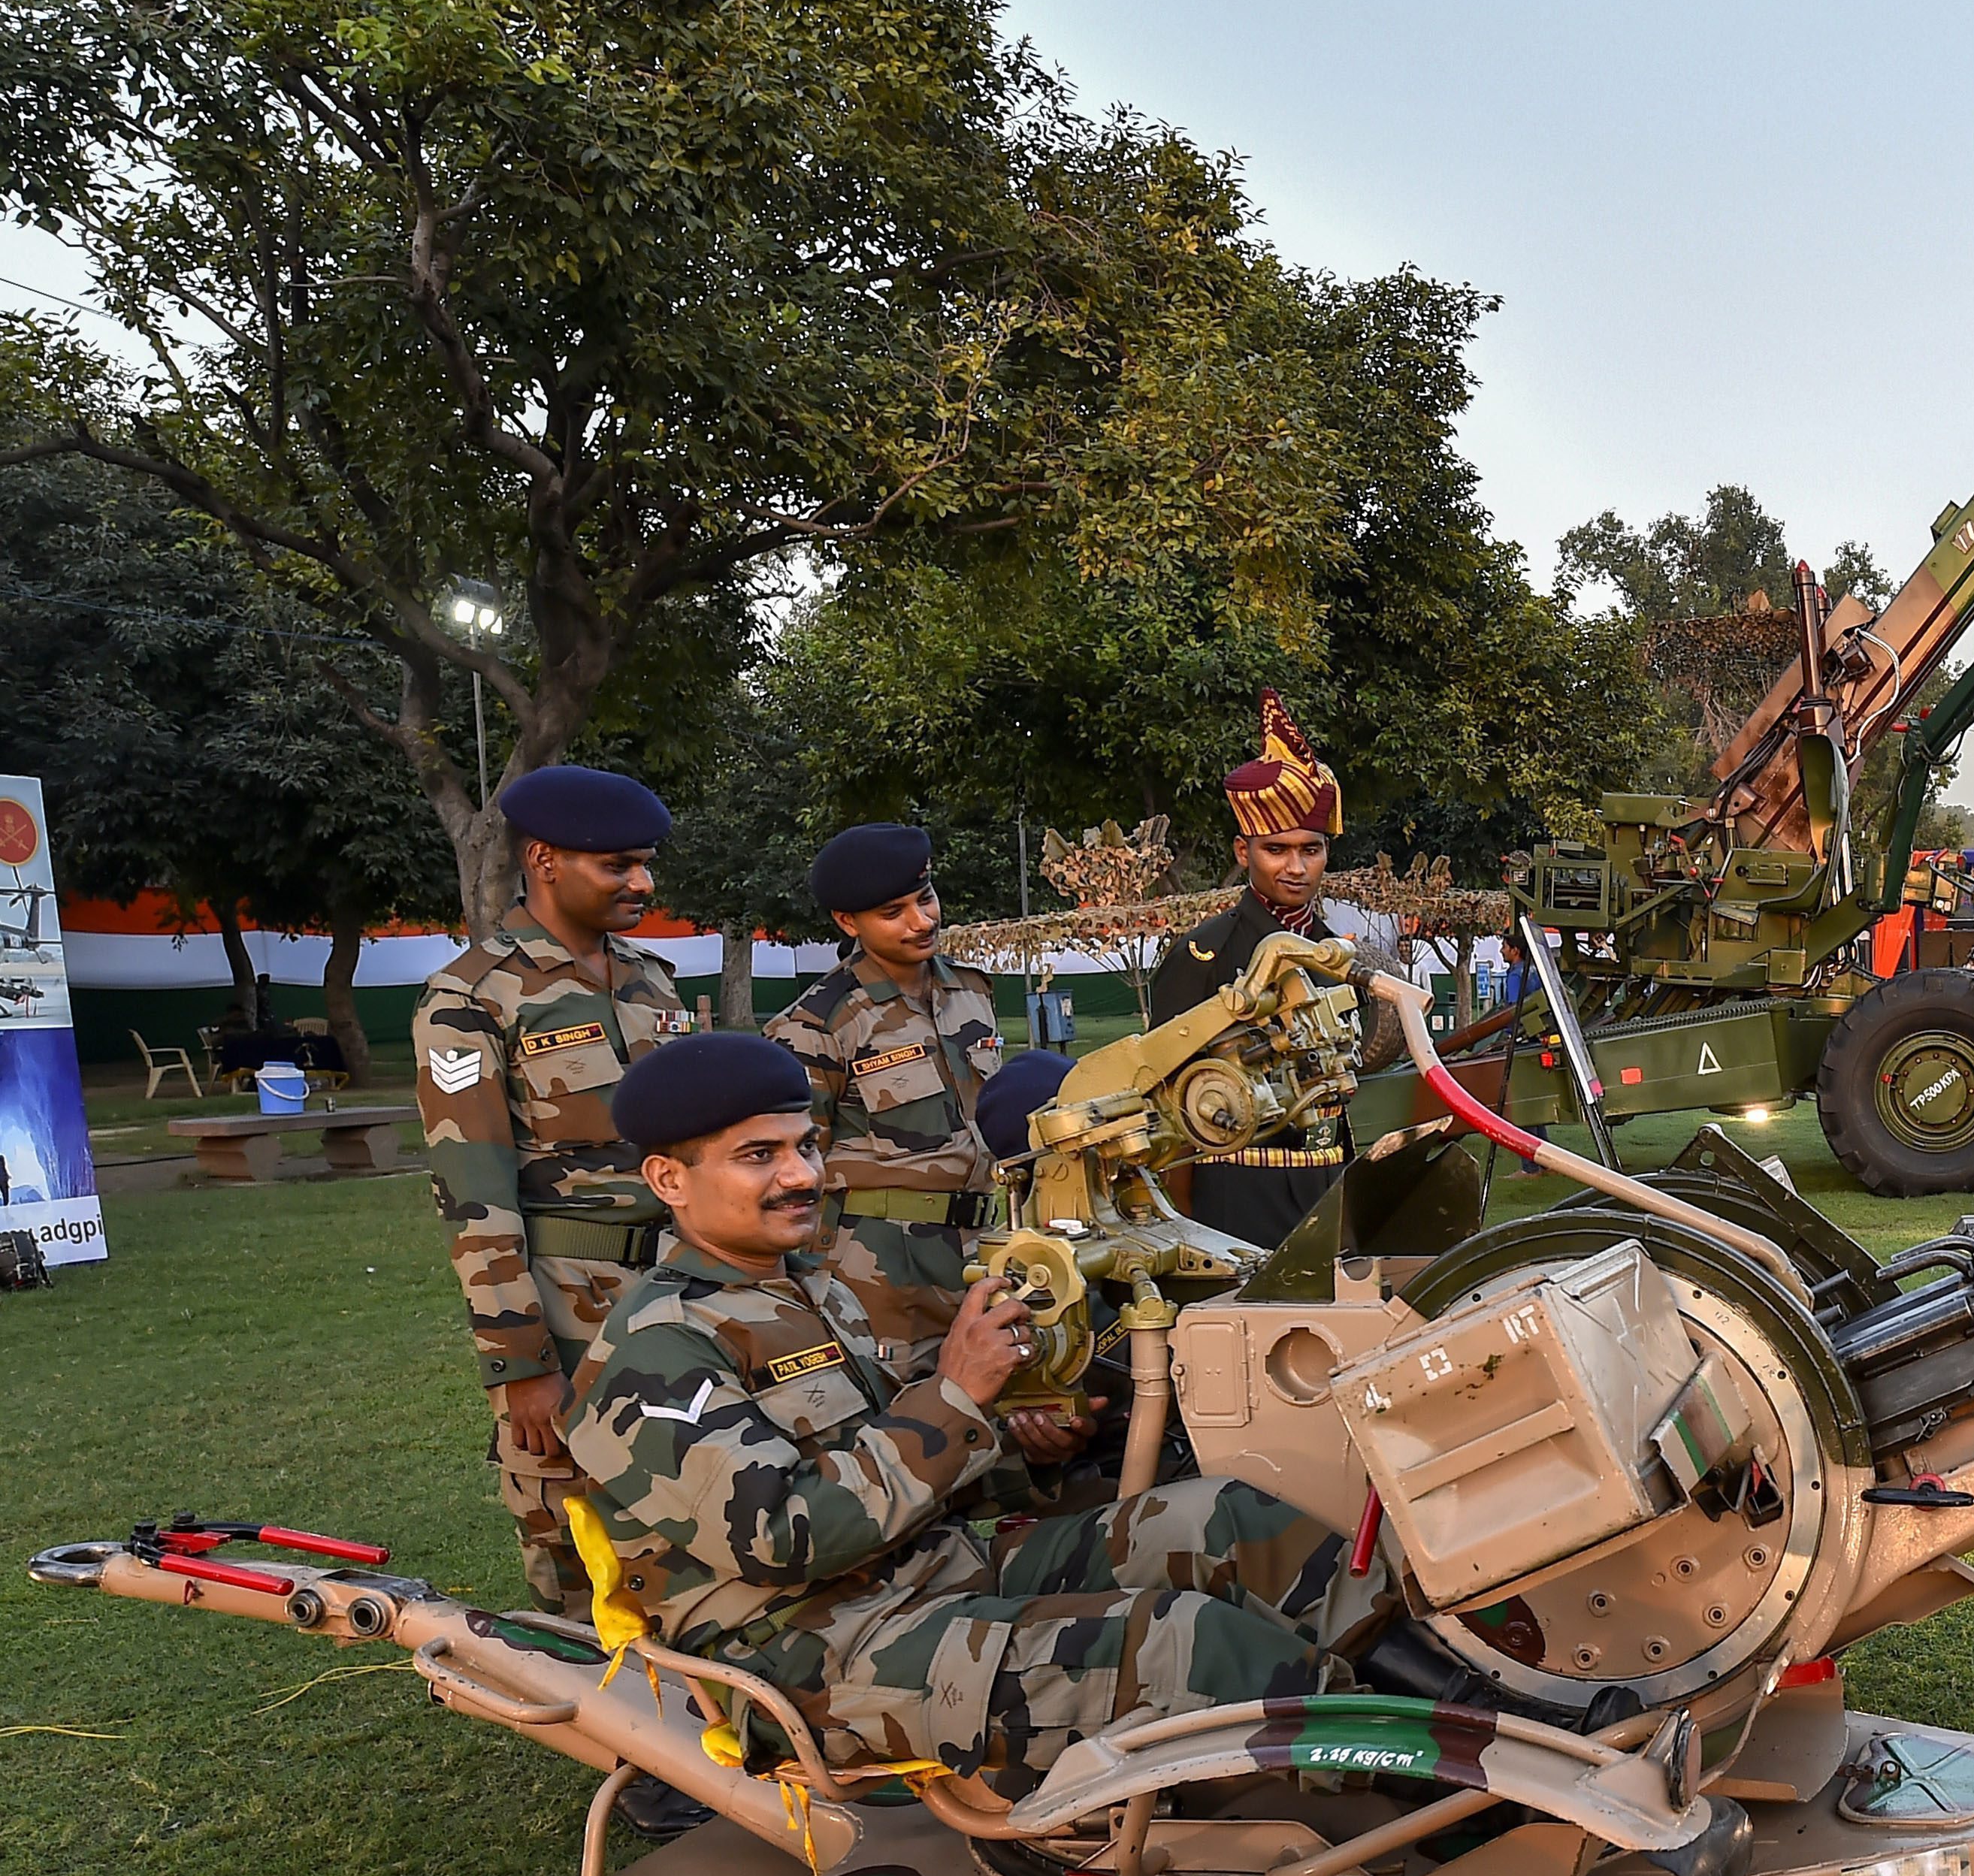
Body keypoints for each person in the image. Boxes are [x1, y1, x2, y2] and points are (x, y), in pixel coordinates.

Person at [563, 1034, 1325, 1804]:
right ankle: (1415, 1786)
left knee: (1229, 1523)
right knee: (1193, 1644)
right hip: (819, 1658)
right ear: (670, 1179)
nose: (800, 1176)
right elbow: (781, 1536)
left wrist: (1019, 1445)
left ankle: (1424, 1678)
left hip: (931, 1576)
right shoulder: (652, 1352)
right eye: (758, 1156)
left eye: (804, 1147)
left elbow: (890, 1469)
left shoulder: (809, 1294)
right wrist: (956, 1396)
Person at [410, 764, 696, 1620]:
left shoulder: (651, 979)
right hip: (570, 1306)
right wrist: (519, 1361)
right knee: (572, 1515)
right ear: (544, 860)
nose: (642, 883)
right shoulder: (471, 998)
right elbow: (474, 1189)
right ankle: (599, 1710)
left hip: (684, 1290)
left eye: (644, 863)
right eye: (617, 866)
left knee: (694, 1489)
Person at [1140, 691, 1389, 1249]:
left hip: (1331, 1180)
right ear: (1243, 850)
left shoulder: (1337, 954)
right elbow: (1166, 1104)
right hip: (1236, 1193)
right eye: (1277, 849)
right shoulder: (1203, 954)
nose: (1297, 867)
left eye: (1312, 849)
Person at [768, 826, 1007, 1380]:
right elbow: (796, 1167)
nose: (921, 922)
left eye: (925, 900)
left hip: (979, 1249)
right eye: (892, 912)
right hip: (880, 1272)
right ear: (848, 923)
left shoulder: (971, 991)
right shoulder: (816, 1024)